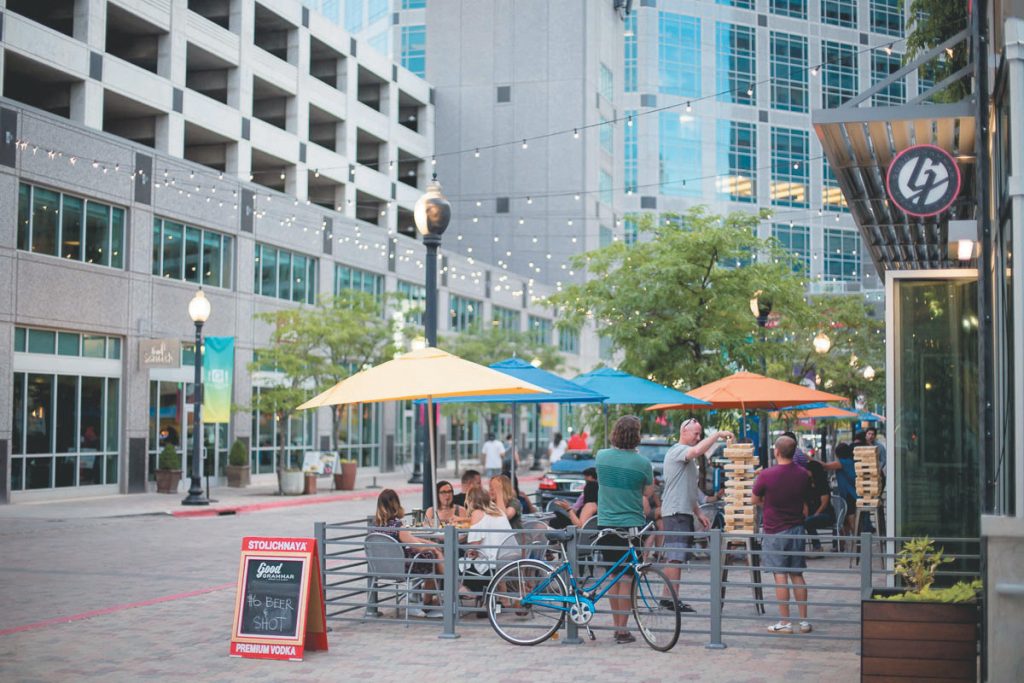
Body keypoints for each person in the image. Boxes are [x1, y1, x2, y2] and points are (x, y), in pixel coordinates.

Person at [660, 418, 734, 612]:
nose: (698, 437)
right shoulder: (678, 451)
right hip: (675, 512)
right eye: (696, 433)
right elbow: (697, 451)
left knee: (675, 557)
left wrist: (698, 512)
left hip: (681, 511)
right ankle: (673, 599)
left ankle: (667, 598)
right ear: (684, 432)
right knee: (676, 557)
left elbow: (689, 490)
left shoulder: (689, 460)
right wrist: (717, 435)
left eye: (700, 434)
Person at [596, 415, 654, 644]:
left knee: (612, 575)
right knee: (629, 577)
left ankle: (615, 624)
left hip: (606, 523)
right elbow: (648, 493)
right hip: (632, 525)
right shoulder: (643, 463)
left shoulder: (601, 457)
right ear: (637, 436)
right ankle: (623, 628)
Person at [752, 435, 813, 634]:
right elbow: (805, 499)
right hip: (797, 529)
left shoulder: (766, 475)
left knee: (780, 576)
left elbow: (754, 499)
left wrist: (767, 503)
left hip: (774, 530)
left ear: (776, 451)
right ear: (794, 451)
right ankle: (804, 621)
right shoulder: (804, 474)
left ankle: (785, 622)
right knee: (797, 575)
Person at [374, 489, 444, 618]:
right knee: (433, 558)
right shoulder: (397, 525)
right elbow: (418, 547)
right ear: (395, 504)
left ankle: (422, 600)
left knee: (431, 554)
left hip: (382, 567)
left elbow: (411, 539)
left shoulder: (376, 526)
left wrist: (430, 544)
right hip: (403, 568)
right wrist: (433, 548)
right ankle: (444, 596)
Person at [461, 487, 515, 604]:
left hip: (490, 566)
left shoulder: (477, 513)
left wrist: (466, 544)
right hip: (507, 561)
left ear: (471, 500)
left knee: (453, 563)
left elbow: (473, 547)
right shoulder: (499, 511)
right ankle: (496, 600)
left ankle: (472, 595)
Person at [821, 442, 857, 537]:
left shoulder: (842, 462)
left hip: (849, 495)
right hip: (851, 494)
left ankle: (857, 543)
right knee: (847, 521)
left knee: (851, 520)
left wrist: (809, 459)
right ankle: (851, 545)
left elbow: (825, 466)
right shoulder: (850, 461)